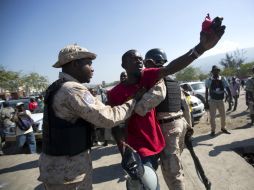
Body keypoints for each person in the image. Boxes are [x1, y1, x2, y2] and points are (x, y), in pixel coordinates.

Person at [108, 16, 225, 189]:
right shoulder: (114, 93)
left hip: (159, 143)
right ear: (123, 65)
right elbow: (116, 126)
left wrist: (200, 49)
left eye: (140, 58)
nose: (139, 61)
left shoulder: (148, 77)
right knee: (147, 184)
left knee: (172, 174)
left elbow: (171, 68)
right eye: (134, 59)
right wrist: (124, 152)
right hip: (138, 148)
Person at [38, 44, 145, 190]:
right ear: (75, 64)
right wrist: (133, 101)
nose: (93, 68)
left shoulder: (57, 86)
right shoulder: (73, 90)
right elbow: (107, 118)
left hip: (61, 167)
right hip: (68, 172)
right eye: (89, 63)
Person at [136, 48, 193, 190]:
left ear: (150, 62)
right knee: (177, 166)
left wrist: (134, 107)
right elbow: (185, 105)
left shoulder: (158, 79)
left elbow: (151, 101)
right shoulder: (173, 79)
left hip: (168, 129)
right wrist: (189, 126)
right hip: (180, 124)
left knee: (172, 173)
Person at [205, 65, 231, 137]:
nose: (215, 72)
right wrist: (206, 102)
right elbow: (206, 91)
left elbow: (227, 88)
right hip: (212, 100)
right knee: (212, 117)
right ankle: (213, 130)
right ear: (212, 72)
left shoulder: (223, 79)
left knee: (223, 115)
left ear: (219, 71)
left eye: (217, 70)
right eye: (214, 71)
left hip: (221, 100)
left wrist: (230, 96)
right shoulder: (209, 80)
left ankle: (223, 128)